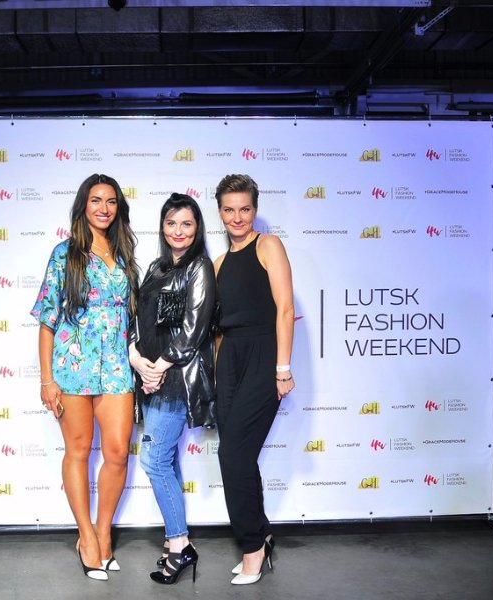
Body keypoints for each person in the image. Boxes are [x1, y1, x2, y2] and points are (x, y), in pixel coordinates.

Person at [31, 174, 139, 581]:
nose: (103, 208)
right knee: (78, 451)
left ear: (118, 208)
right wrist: (47, 380)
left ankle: (103, 531)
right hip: (73, 369)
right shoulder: (65, 254)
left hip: (116, 369)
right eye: (96, 200)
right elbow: (47, 320)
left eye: (111, 201)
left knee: (117, 452)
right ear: (83, 205)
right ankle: (86, 538)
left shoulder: (124, 254)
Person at [128, 193, 216, 585]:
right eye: (171, 223)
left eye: (186, 224)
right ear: (163, 227)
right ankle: (175, 541)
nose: (178, 231)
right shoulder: (156, 267)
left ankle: (180, 545)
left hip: (177, 381)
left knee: (154, 461)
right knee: (166, 460)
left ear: (197, 228)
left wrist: (159, 367)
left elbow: (194, 329)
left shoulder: (201, 268)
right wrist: (136, 358)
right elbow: (139, 320)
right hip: (149, 378)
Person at [213, 174, 295, 585]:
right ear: (219, 212)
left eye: (244, 209)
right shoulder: (218, 264)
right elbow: (217, 328)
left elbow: (285, 309)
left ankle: (252, 549)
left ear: (255, 209)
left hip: (263, 355)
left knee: (234, 455)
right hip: (229, 360)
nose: (237, 217)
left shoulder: (268, 245)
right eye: (229, 209)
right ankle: (261, 532)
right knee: (236, 455)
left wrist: (282, 368)